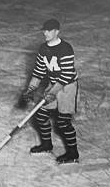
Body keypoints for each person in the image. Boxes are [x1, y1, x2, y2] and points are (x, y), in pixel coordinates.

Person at [21, 18, 80, 164]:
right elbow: (38, 72)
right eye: (44, 30)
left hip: (67, 87)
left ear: (57, 32)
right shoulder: (43, 48)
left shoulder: (65, 49)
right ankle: (47, 145)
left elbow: (66, 76)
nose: (45, 33)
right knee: (40, 115)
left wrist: (52, 93)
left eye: (49, 30)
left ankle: (73, 154)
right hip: (53, 84)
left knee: (63, 122)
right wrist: (30, 89)